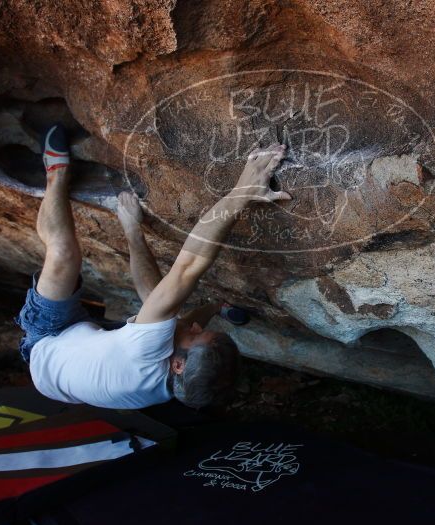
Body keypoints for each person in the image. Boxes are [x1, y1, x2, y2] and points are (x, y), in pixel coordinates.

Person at [15, 124, 290, 409]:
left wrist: (242, 192)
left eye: (197, 334)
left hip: (47, 339)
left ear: (178, 366)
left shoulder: (141, 356)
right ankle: (216, 304)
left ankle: (55, 173)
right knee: (164, 307)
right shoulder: (176, 385)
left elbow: (187, 267)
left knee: (63, 255)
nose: (195, 327)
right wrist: (133, 229)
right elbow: (167, 308)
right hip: (85, 353)